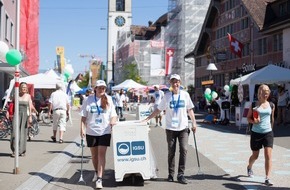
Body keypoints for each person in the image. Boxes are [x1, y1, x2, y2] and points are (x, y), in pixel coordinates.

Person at [144, 74, 197, 184]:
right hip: (170, 129)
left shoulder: (185, 95)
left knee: (184, 149)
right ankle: (171, 174)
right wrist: (148, 118)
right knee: (171, 152)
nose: (175, 84)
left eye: (177, 81)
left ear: (180, 83)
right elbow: (158, 110)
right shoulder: (167, 96)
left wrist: (194, 123)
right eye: (173, 82)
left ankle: (181, 174)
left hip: (183, 128)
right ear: (171, 84)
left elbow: (190, 110)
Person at [80, 80, 117, 189]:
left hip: (104, 131)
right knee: (94, 155)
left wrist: (113, 121)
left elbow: (113, 115)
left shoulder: (109, 99)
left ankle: (99, 178)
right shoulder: (88, 100)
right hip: (91, 131)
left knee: (101, 154)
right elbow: (83, 117)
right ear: (95, 88)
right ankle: (97, 172)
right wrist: (82, 129)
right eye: (99, 88)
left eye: (103, 88)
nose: (101, 90)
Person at [246, 84, 275, 186]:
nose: (266, 95)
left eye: (267, 93)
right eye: (264, 93)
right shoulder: (254, 104)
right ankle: (249, 167)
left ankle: (267, 178)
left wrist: (271, 129)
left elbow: (272, 119)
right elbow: (248, 118)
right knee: (255, 155)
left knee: (268, 155)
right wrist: (254, 122)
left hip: (268, 132)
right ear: (259, 93)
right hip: (256, 133)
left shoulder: (271, 105)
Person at [10, 82, 33, 157]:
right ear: (19, 88)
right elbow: (11, 104)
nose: (24, 88)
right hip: (16, 115)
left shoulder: (28, 96)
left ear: (26, 89)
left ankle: (22, 150)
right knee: (14, 132)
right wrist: (8, 112)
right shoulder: (16, 95)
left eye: (25, 87)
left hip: (24, 116)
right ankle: (14, 150)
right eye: (22, 87)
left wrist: (30, 117)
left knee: (23, 133)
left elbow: (30, 107)